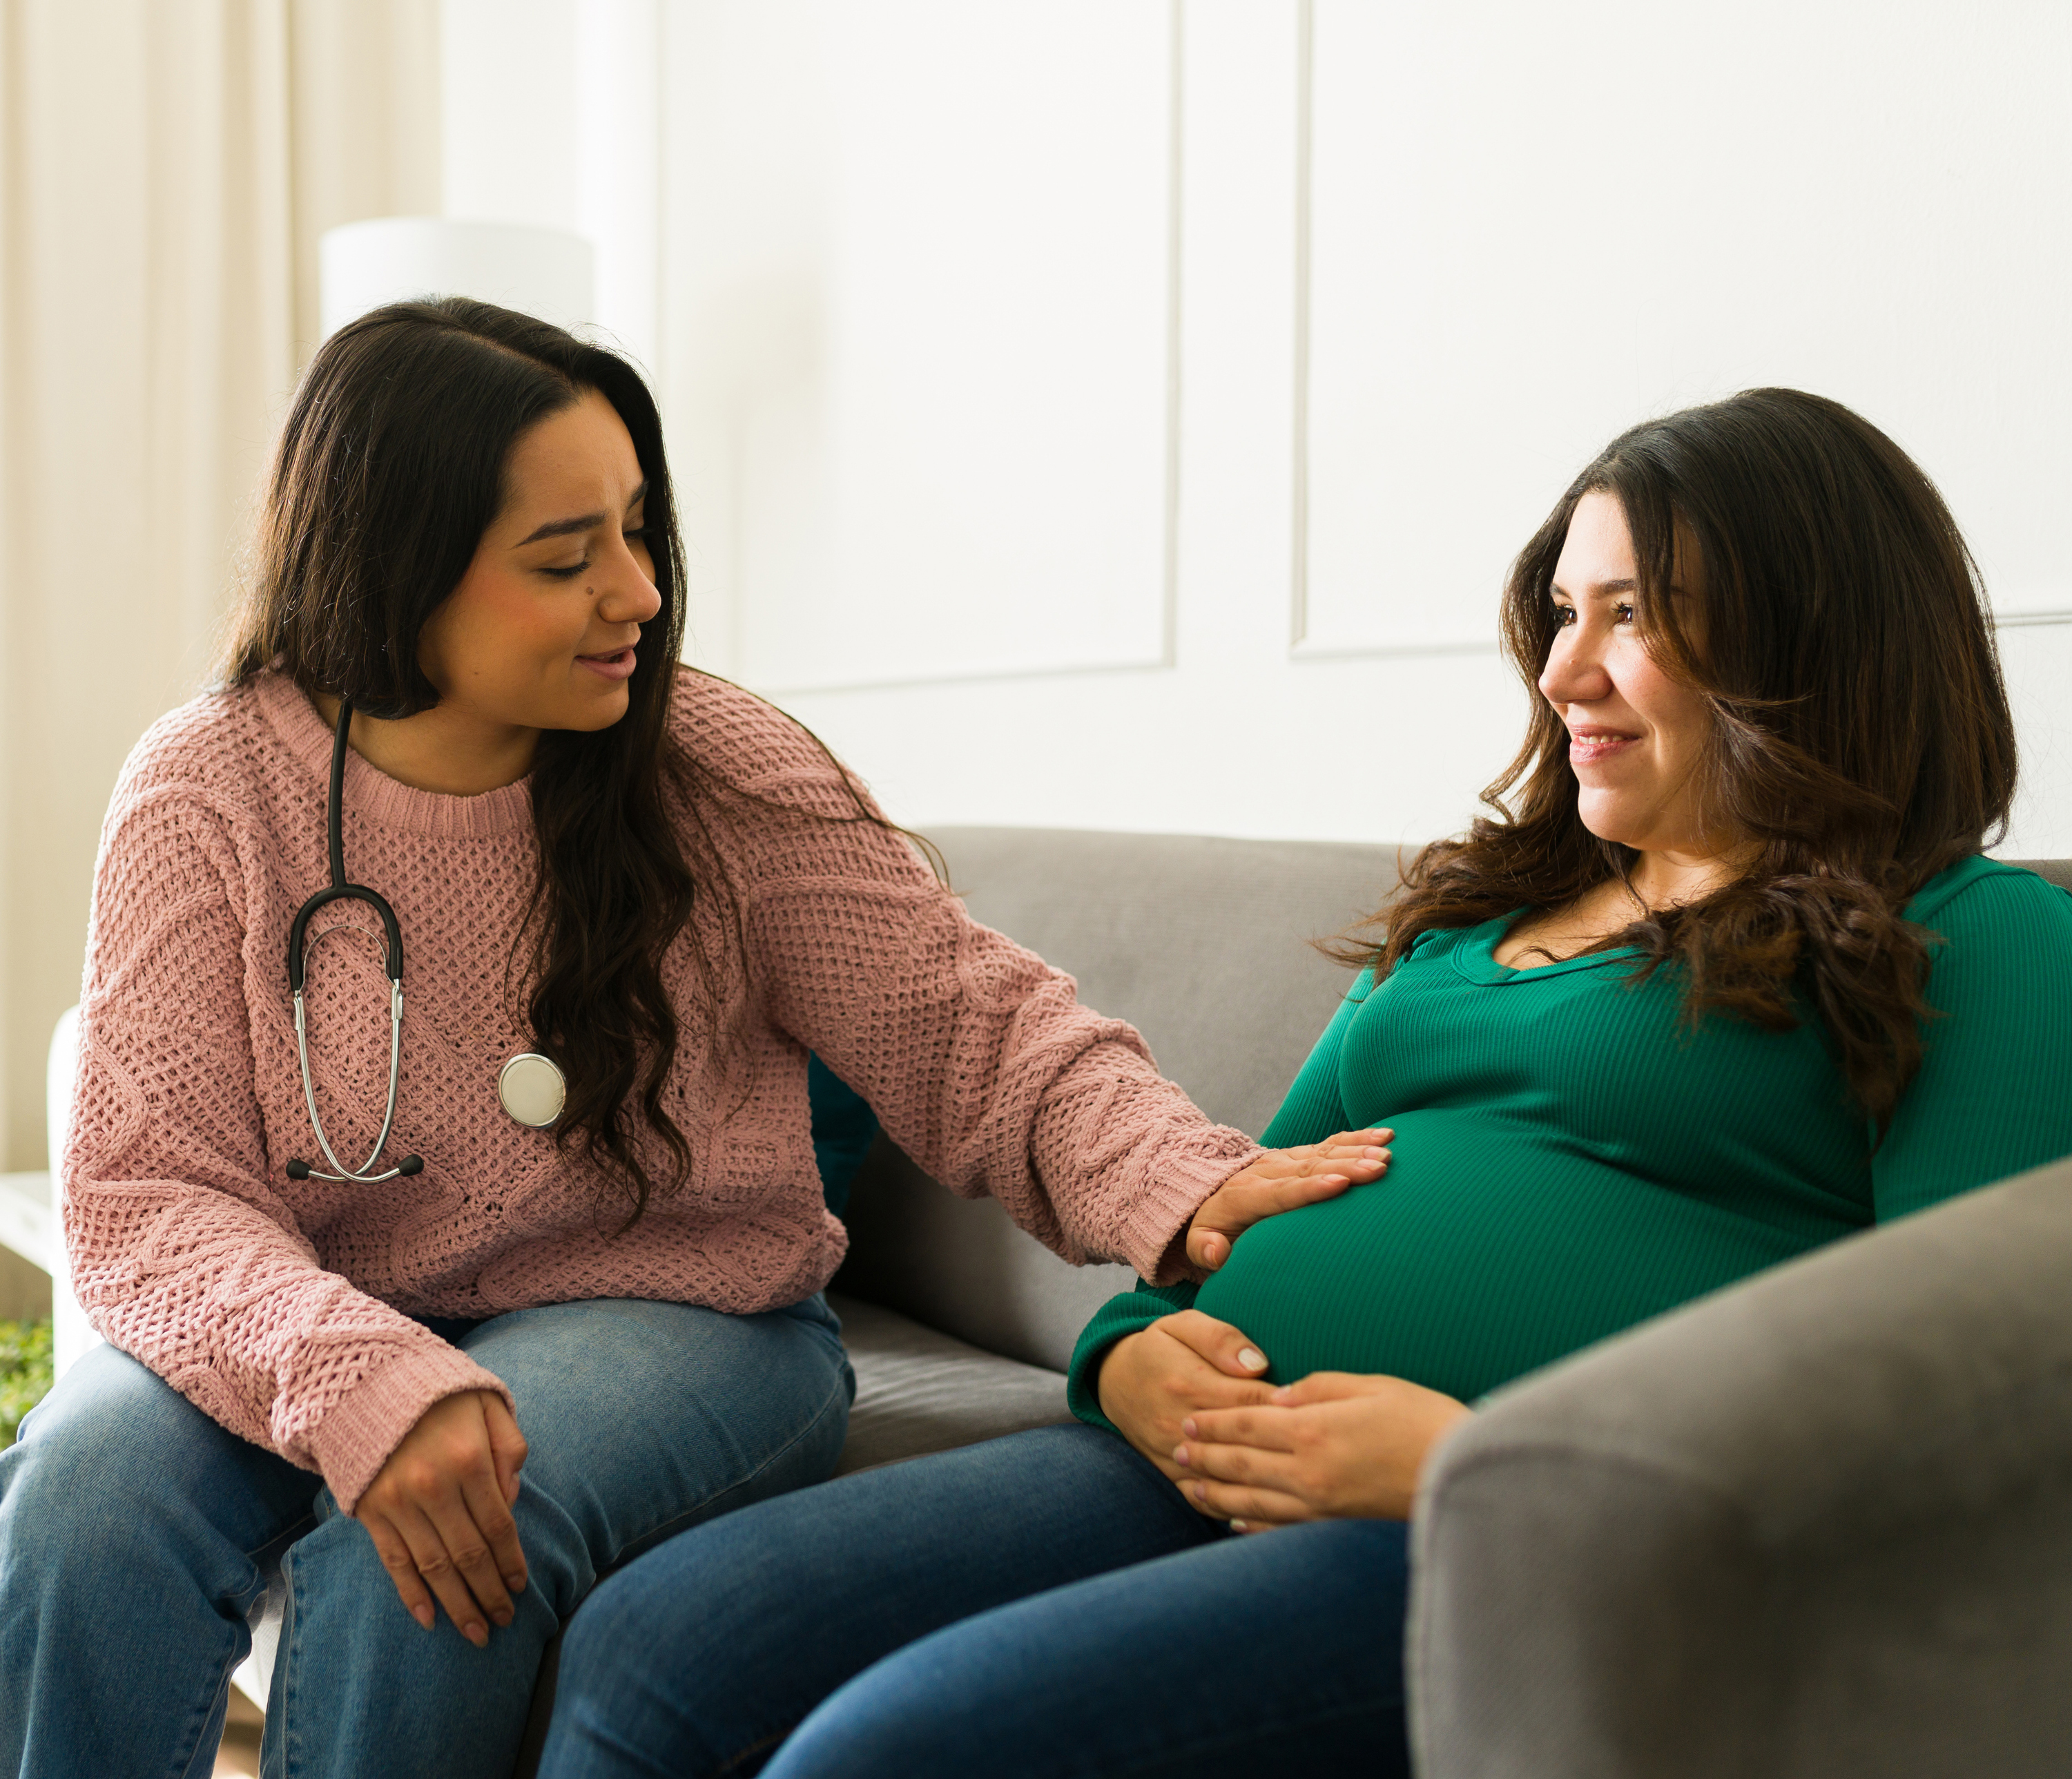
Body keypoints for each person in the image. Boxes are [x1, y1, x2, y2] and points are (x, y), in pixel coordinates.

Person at [534, 387, 2072, 1779]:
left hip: (1486, 1528)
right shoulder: (1477, 927)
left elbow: (1965, 1414)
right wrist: (1129, 1356)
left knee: (886, 1756)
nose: (1564, 670)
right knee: (657, 1644)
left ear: (1807, 639)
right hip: (1173, 1446)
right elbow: (1225, 1203)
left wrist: (1473, 1469)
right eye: (1558, 612)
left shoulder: (1976, 935)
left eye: (1634, 615)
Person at [0, 298, 1384, 1779]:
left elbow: (971, 1023)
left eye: (641, 533)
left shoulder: (717, 769)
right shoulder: (205, 789)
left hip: (687, 1316)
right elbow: (149, 1194)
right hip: (323, 1303)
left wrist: (1174, 1178)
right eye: (566, 555)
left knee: (453, 1529)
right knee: (84, 1493)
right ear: (398, 568)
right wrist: (348, 1369)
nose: (642, 594)